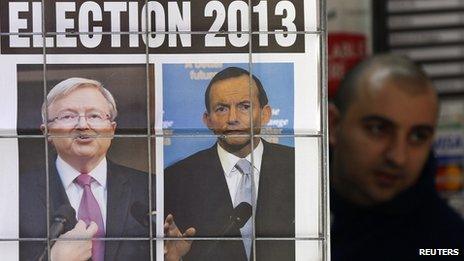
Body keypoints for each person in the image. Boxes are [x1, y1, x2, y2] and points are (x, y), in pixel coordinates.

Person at [19, 78, 192, 261]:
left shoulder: (152, 188)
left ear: (112, 129)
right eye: (68, 116)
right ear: (47, 131)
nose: (83, 125)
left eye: (94, 116)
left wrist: (173, 258)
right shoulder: (15, 192)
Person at [329, 54, 464, 260]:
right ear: (333, 125)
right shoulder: (276, 201)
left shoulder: (448, 244)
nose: (398, 157)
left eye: (418, 136)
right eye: (378, 129)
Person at [164, 67, 295, 261]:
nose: (232, 118)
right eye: (221, 109)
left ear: (265, 114)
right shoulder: (176, 178)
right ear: (207, 120)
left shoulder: (298, 165)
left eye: (244, 106)